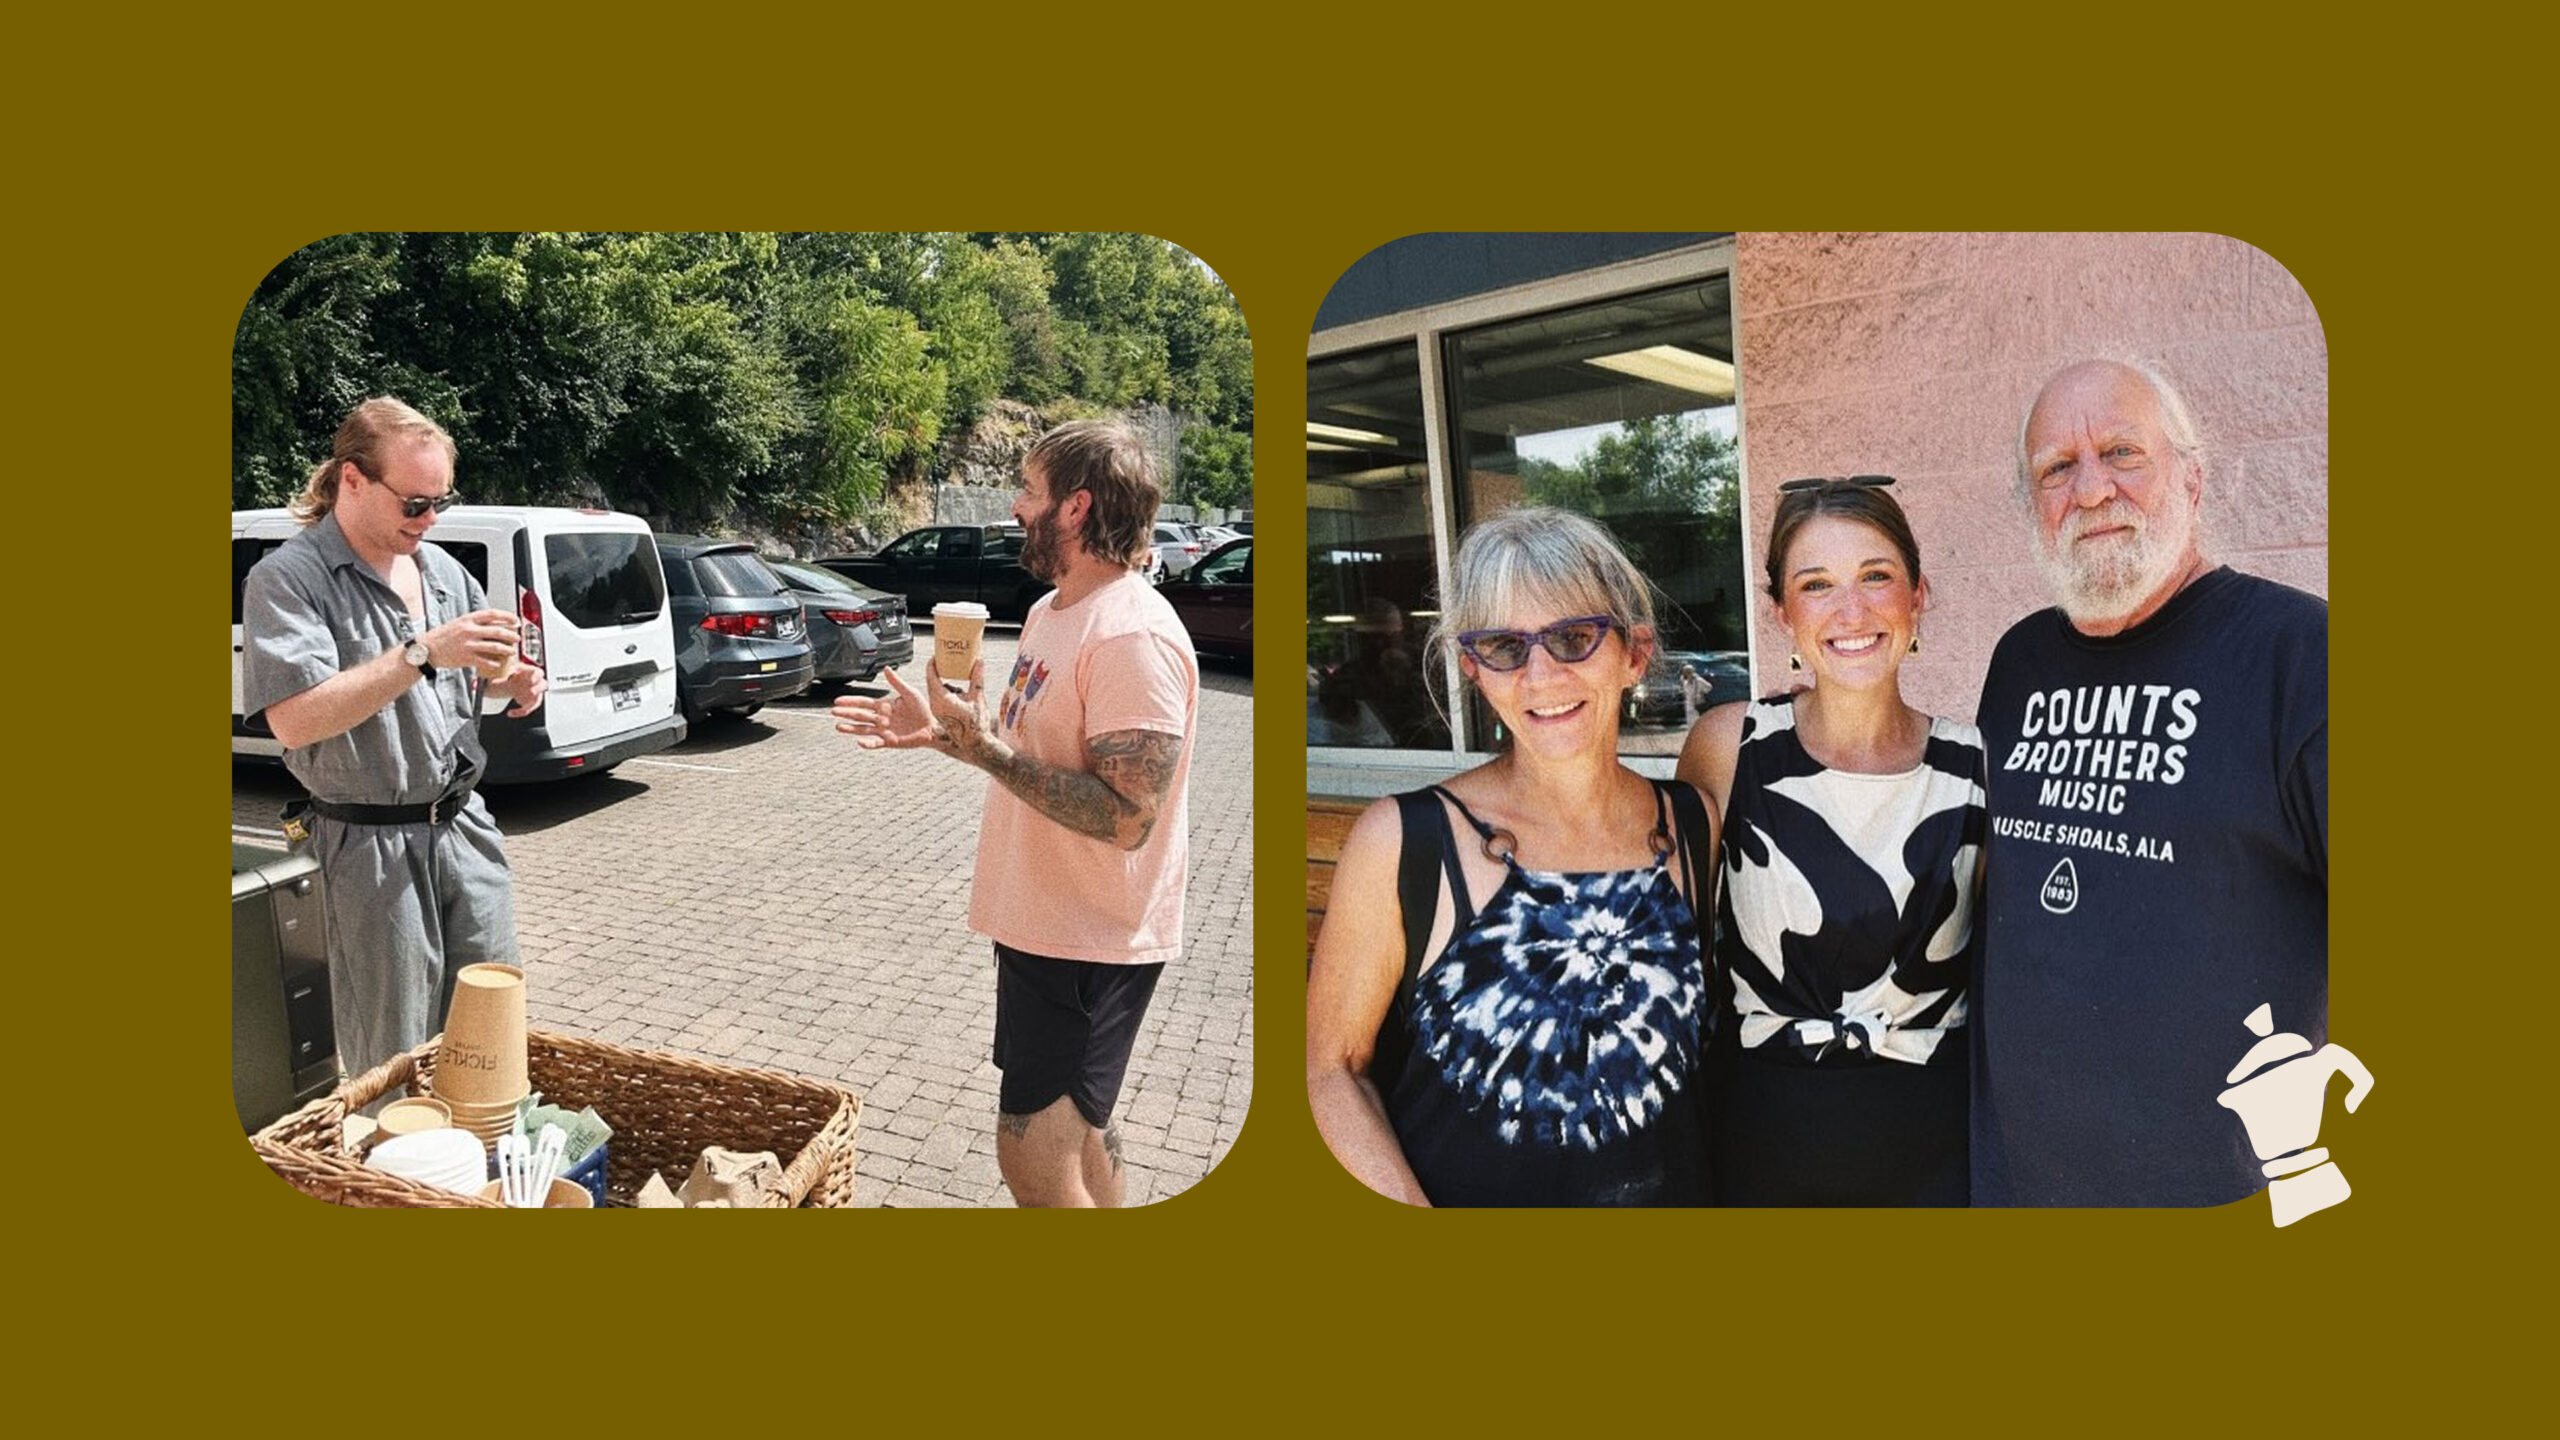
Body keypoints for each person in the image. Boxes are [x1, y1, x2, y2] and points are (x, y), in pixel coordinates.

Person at [1972, 359, 2327, 1207]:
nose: (2091, 490)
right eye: (2056, 467)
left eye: (2122, 452)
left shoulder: (2301, 657)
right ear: (2031, 505)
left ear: (2192, 476)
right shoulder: (2018, 662)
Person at [832, 420, 1196, 1208]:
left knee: (1031, 1152)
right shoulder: (1050, 612)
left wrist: (989, 753)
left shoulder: (1131, 633)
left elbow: (1131, 815)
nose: (1014, 504)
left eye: (1029, 489)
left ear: (1076, 507)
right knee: (1084, 1132)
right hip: (1047, 927)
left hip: (1089, 940)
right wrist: (947, 736)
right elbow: (1021, 756)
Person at [1308, 507, 1716, 1207]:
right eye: (1504, 646)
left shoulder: (1692, 824)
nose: (1541, 675)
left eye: (1575, 637)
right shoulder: (1406, 840)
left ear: (1635, 653)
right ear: (1474, 669)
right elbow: (1330, 1070)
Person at [1675, 477, 1985, 1206]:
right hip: (1758, 1143)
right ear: (1782, 612)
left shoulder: (1978, 766)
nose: (1852, 610)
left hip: (1936, 1150)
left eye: (1876, 576)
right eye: (1817, 585)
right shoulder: (1731, 747)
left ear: (1919, 595)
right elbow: (1678, 947)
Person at [241, 397, 545, 1084]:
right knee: (395, 1055)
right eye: (414, 503)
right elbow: (295, 719)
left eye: (440, 502)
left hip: (464, 830)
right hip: (369, 847)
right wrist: (422, 652)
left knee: (490, 1034)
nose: (430, 520)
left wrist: (513, 681)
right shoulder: (288, 579)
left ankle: (481, 1173)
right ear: (352, 480)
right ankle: (396, 1179)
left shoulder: (440, 571)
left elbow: (467, 677)